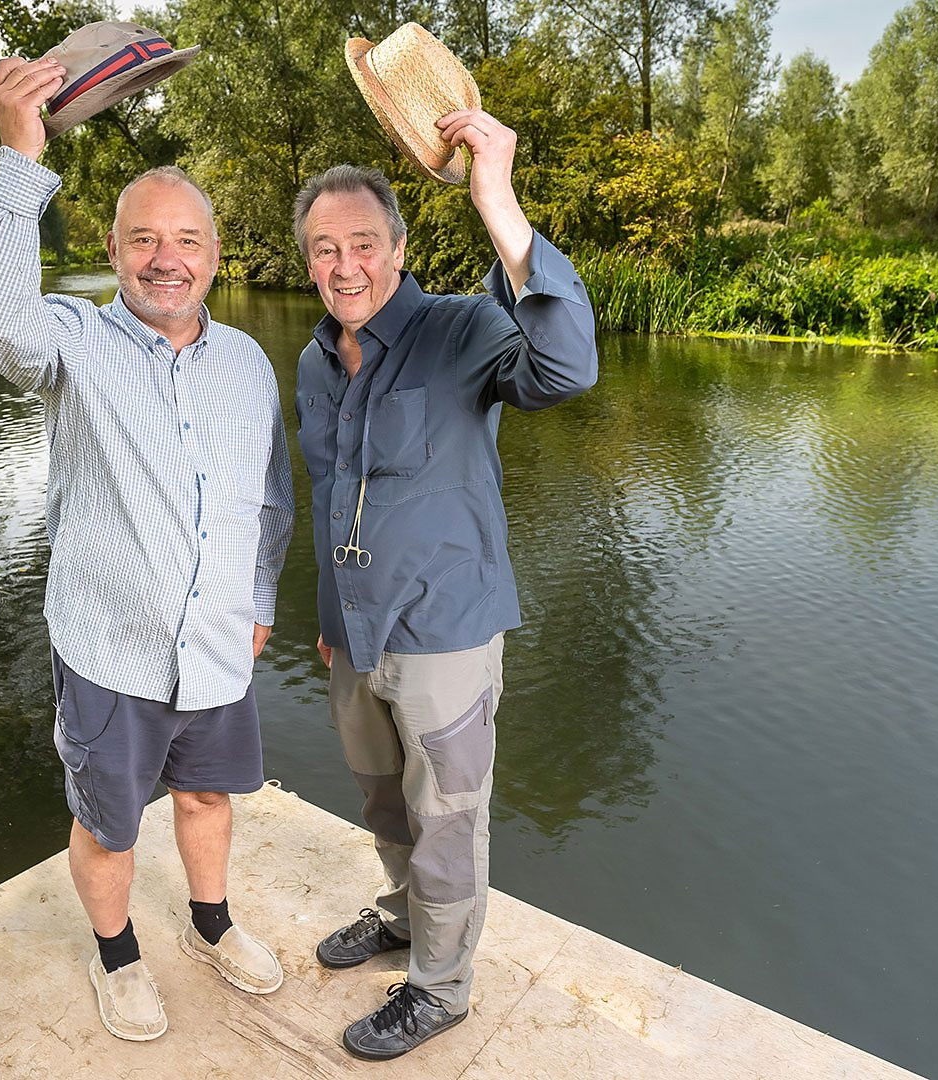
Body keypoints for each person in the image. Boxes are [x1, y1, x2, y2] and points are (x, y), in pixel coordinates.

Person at [0, 55, 294, 1043]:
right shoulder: (70, 341)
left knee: (208, 795)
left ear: (216, 255)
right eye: (143, 238)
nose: (165, 258)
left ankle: (210, 924)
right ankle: (117, 957)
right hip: (109, 651)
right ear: (112, 249)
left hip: (219, 644)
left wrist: (261, 597)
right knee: (110, 822)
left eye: (186, 239)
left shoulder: (249, 364)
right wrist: (20, 158)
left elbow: (270, 499)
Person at [292, 110, 598, 1060]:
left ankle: (440, 988)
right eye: (325, 249)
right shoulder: (313, 360)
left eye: (364, 244)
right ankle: (401, 917)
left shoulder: (461, 329)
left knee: (447, 820)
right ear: (307, 260)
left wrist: (496, 199)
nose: (346, 266)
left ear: (399, 247)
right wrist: (330, 619)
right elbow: (330, 494)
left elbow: (566, 368)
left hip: (445, 638)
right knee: (384, 802)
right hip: (354, 636)